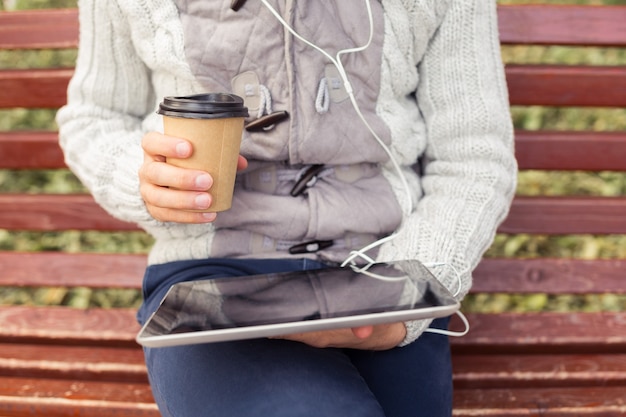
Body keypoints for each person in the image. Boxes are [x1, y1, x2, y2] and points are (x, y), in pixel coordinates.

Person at [56, 0, 517, 416]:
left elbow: (474, 157)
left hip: (388, 277)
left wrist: (415, 295)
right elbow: (95, 117)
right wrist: (141, 176)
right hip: (212, 281)